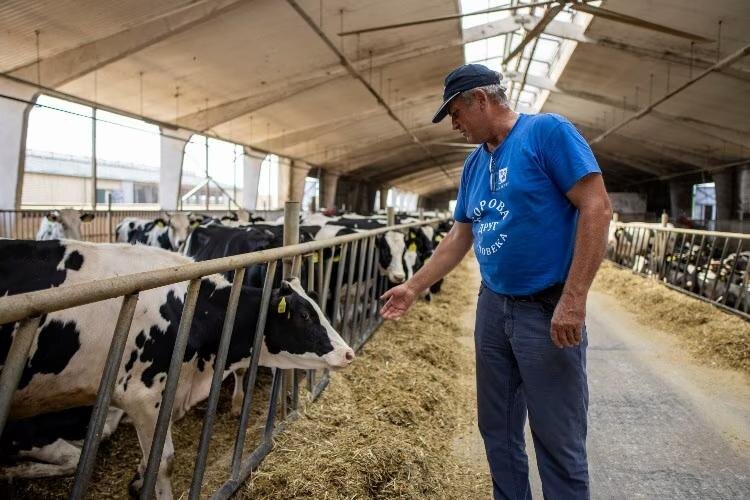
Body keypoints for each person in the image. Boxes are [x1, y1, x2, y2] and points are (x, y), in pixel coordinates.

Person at [380, 63, 612, 499]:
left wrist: (574, 298)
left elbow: (596, 208)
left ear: (481, 100)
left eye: (456, 113)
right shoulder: (473, 164)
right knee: (497, 428)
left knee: (556, 436)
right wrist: (413, 286)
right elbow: (459, 236)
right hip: (493, 306)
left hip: (546, 307)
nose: (454, 125)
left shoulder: (546, 133)